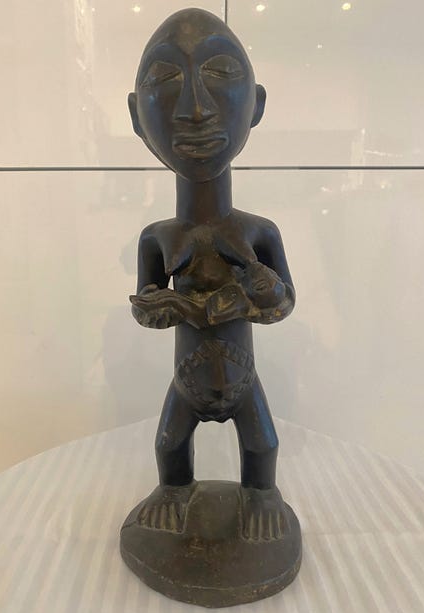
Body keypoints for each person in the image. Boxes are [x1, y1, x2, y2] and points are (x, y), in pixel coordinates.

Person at [128, 8, 295, 540]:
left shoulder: (258, 232)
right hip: (187, 380)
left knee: (263, 446)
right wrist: (161, 307)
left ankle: (261, 495)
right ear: (136, 117)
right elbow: (145, 306)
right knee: (168, 445)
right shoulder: (157, 238)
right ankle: (174, 490)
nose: (195, 109)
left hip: (242, 378)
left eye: (221, 73)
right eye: (164, 78)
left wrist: (259, 295)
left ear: (257, 105)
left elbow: (284, 302)